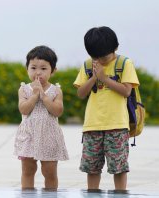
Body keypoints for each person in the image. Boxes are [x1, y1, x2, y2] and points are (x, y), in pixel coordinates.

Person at [73, 26, 139, 190]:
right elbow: (81, 93)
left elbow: (126, 91)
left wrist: (104, 78)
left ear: (115, 47)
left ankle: (120, 193)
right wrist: (94, 78)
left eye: (103, 56)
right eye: (95, 56)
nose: (100, 60)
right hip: (92, 125)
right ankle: (92, 193)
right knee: (92, 167)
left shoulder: (124, 63)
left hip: (117, 125)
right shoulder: (89, 65)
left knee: (119, 167)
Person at [14, 45, 69, 190]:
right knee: (28, 170)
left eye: (44, 69)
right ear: (27, 69)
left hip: (49, 135)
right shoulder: (24, 89)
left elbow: (58, 111)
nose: (38, 73)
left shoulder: (56, 90)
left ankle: (50, 193)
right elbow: (24, 109)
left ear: (53, 70)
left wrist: (43, 96)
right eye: (33, 68)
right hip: (29, 135)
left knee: (49, 172)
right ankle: (27, 194)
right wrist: (34, 96)